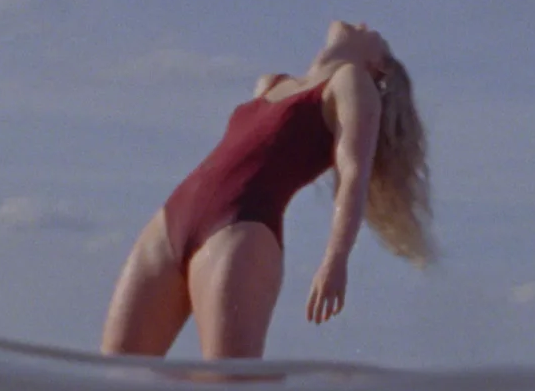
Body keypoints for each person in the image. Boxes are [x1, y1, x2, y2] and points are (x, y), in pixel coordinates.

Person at [101, 21, 435, 360]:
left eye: (379, 38)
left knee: (227, 384)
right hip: (169, 221)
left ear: (376, 65)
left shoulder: (351, 81)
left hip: (238, 230)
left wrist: (335, 259)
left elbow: (352, 174)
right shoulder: (270, 84)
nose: (365, 25)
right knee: (116, 373)